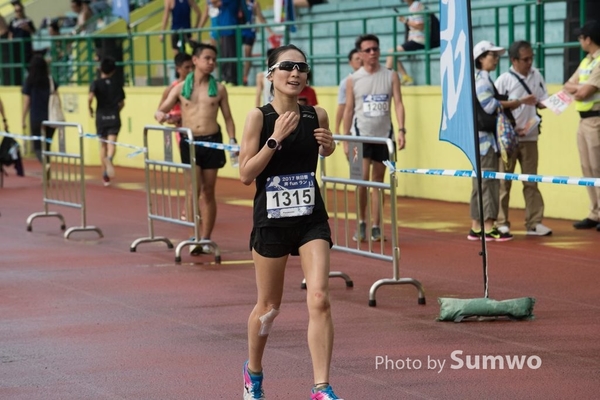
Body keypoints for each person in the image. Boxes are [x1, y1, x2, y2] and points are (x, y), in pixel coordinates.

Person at [238, 43, 342, 400]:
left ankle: (321, 387)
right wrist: (274, 139)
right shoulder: (259, 117)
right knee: (268, 308)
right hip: (272, 220)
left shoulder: (317, 115)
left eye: (302, 67)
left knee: (319, 298)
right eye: (287, 66)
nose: (296, 73)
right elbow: (245, 174)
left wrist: (329, 146)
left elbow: (325, 149)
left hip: (310, 217)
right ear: (271, 74)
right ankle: (253, 373)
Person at [154, 43, 236, 253]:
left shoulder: (219, 89)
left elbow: (227, 117)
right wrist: (161, 115)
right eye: (207, 58)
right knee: (193, 189)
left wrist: (233, 139)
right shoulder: (181, 88)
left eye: (214, 60)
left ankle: (206, 238)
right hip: (189, 142)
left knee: (208, 191)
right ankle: (195, 234)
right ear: (195, 60)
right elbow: (161, 109)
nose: (211, 63)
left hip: (212, 141)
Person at [468, 40, 536, 242]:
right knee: (488, 181)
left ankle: (476, 226)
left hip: (480, 140)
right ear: (481, 59)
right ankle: (488, 226)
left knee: (479, 182)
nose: (496, 59)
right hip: (485, 141)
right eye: (492, 55)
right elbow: (489, 106)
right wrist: (516, 102)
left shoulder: (479, 79)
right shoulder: (482, 80)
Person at [342, 34, 406, 242]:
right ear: (360, 54)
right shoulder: (353, 79)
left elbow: (398, 103)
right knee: (360, 181)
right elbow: (348, 109)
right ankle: (361, 223)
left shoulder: (391, 75)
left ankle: (377, 226)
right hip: (359, 138)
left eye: (375, 49)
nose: (372, 53)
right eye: (367, 50)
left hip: (384, 137)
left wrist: (402, 130)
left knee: (378, 182)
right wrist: (345, 139)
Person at [494, 40, 551, 236]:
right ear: (514, 60)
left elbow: (543, 99)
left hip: (530, 136)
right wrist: (518, 102)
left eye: (531, 58)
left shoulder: (537, 75)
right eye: (525, 59)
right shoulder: (504, 80)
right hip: (508, 139)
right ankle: (501, 222)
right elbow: (495, 105)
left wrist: (549, 103)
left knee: (531, 181)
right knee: (503, 181)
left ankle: (534, 222)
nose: (529, 63)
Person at [563, 20, 600, 231]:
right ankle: (594, 212)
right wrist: (579, 87)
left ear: (589, 39)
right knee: (587, 168)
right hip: (584, 119)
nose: (579, 40)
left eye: (581, 37)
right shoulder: (587, 61)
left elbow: (585, 92)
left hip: (596, 119)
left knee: (598, 166)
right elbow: (568, 85)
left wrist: (577, 88)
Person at [88, 56, 126, 187]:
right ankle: (110, 159)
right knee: (112, 143)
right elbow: (122, 103)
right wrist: (117, 111)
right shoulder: (117, 84)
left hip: (101, 116)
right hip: (114, 116)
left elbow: (90, 98)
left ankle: (104, 173)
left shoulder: (96, 83)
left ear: (100, 69)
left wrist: (90, 109)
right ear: (114, 70)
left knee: (103, 145)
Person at [21, 56, 58, 164]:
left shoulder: (29, 81)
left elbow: (26, 102)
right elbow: (57, 98)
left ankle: (46, 169)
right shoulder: (50, 80)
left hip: (36, 118)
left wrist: (23, 119)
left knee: (37, 148)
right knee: (47, 147)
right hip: (51, 118)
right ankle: (47, 174)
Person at [384, 0, 426, 86]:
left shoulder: (416, 6)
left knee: (392, 53)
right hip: (415, 39)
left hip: (419, 40)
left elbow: (420, 26)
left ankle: (385, 80)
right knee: (393, 54)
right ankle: (405, 77)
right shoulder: (414, 6)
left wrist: (405, 20)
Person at [240, 0, 273, 86]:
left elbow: (260, 17)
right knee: (237, 54)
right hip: (239, 30)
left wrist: (270, 31)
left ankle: (244, 77)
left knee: (247, 53)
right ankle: (237, 76)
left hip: (250, 31)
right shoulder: (238, 2)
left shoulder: (254, 3)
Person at [334, 48, 362, 134]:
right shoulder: (346, 82)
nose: (360, 61)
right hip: (354, 128)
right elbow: (342, 106)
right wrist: (337, 129)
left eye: (361, 58)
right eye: (357, 59)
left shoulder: (373, 79)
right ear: (350, 63)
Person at [9, 1, 36, 85]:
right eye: (16, 11)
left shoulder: (28, 20)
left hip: (26, 49)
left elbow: (34, 32)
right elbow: (10, 34)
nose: (18, 13)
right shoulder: (13, 21)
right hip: (16, 49)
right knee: (17, 69)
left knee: (30, 68)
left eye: (20, 10)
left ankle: (33, 84)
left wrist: (27, 29)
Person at [215, 0, 240, 85]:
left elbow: (213, 1)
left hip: (229, 29)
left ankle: (231, 79)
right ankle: (226, 77)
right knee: (225, 55)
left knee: (230, 55)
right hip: (224, 30)